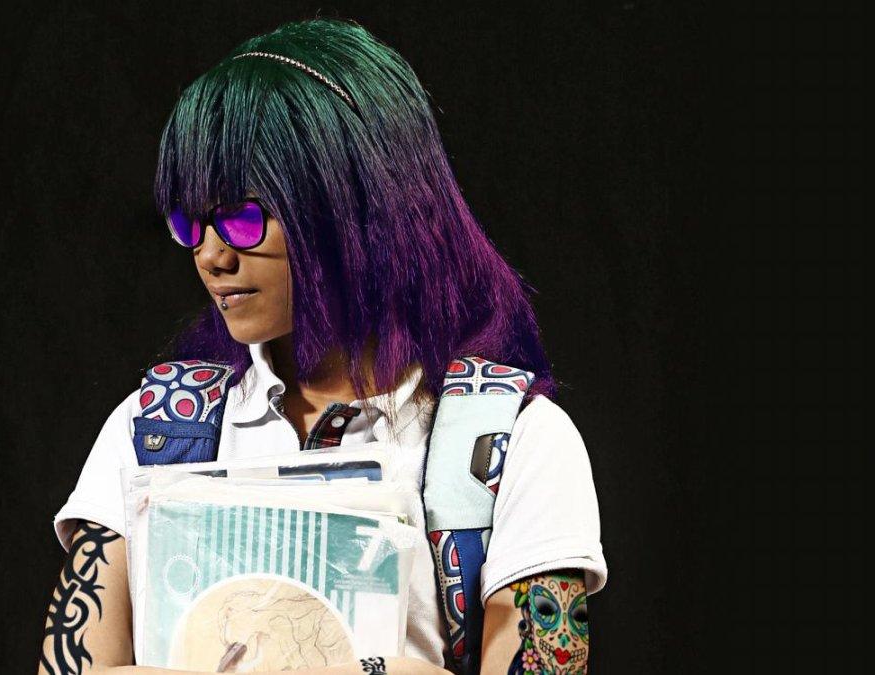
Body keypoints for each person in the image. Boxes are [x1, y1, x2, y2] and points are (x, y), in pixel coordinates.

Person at [38, 17, 606, 675]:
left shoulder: (510, 443)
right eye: (190, 222)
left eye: (243, 217)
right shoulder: (154, 430)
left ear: (359, 205)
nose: (211, 256)